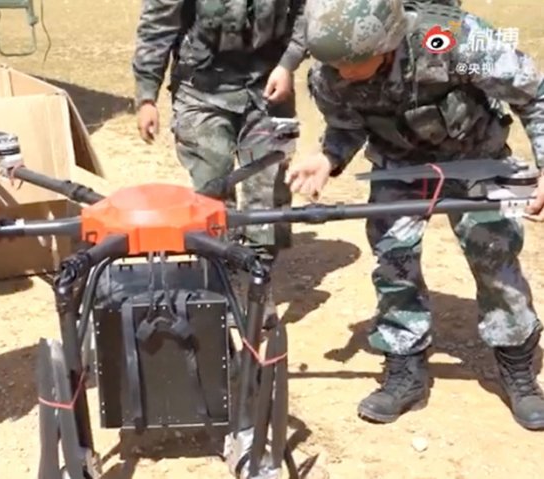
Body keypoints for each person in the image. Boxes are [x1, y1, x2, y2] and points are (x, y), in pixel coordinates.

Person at [286, 0, 544, 430]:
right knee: (394, 261)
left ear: (386, 42)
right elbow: (347, 128)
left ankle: (518, 370)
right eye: (335, 65)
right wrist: (329, 158)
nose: (343, 73)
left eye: (354, 63)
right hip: (399, 165)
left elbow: (535, 95)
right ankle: (404, 369)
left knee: (494, 257)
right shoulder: (331, 72)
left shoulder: (452, 39)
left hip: (477, 157)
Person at [132, 0, 308, 266]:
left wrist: (288, 64)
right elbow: (158, 25)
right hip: (202, 88)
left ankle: (259, 275)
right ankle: (222, 272)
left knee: (268, 188)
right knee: (211, 185)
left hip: (269, 85)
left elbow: (309, 13)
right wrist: (147, 96)